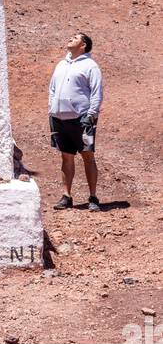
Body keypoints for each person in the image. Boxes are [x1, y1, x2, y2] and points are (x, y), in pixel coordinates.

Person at [48, 32, 103, 212]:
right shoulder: (61, 64)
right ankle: (67, 196)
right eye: (70, 36)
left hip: (82, 119)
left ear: (84, 45)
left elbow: (96, 92)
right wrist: (51, 109)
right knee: (66, 156)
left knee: (87, 155)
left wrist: (92, 114)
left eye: (76, 37)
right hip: (59, 118)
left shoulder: (90, 66)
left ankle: (93, 196)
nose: (70, 38)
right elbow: (52, 89)